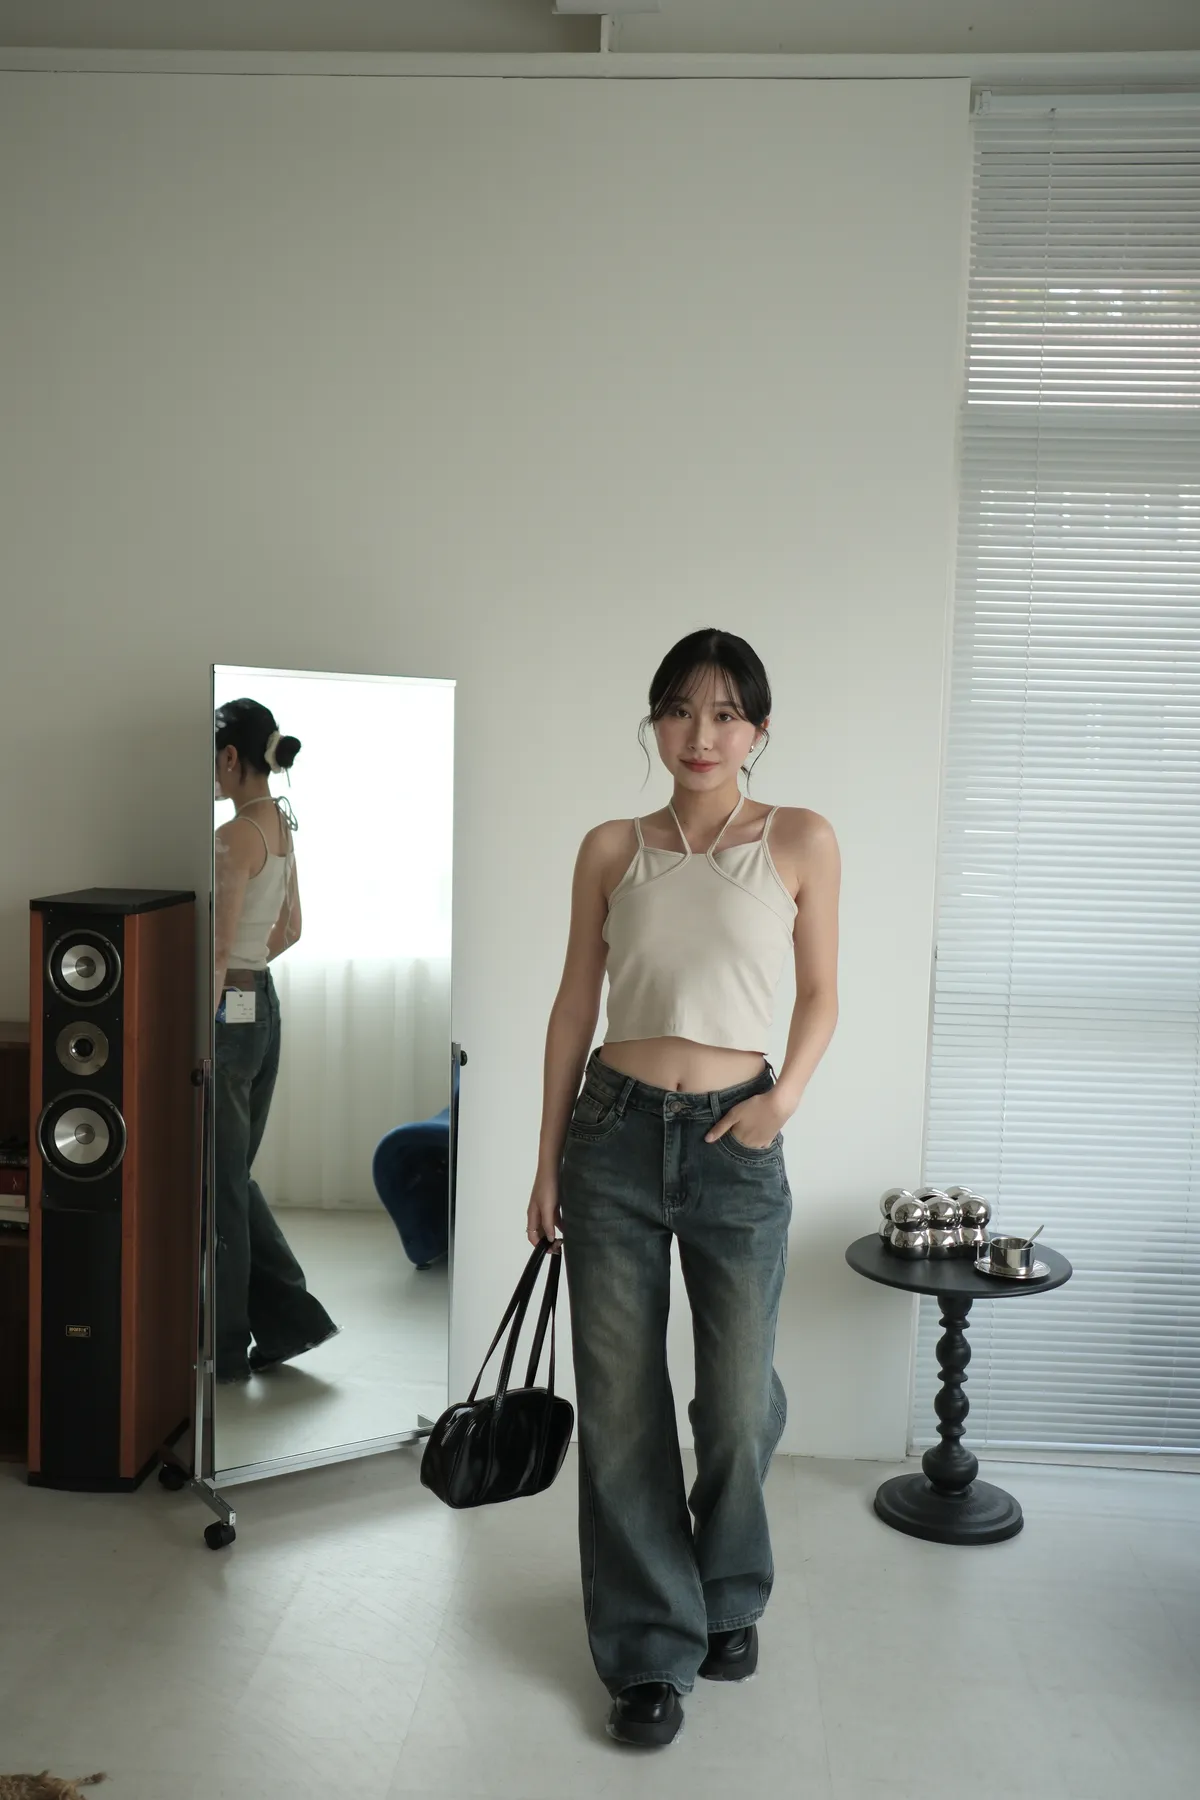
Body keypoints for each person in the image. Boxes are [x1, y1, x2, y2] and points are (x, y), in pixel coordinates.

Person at [526, 629, 840, 1748]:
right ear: (655, 721)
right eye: (678, 710)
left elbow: (821, 993)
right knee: (620, 1408)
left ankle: (730, 1587)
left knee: (738, 1404)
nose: (699, 735)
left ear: (759, 729)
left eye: (724, 714)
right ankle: (649, 1651)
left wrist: (782, 1100)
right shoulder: (612, 847)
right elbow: (575, 1002)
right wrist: (545, 1160)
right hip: (611, 1137)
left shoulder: (798, 838)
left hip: (736, 1140)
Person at [212, 698, 337, 1384]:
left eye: (215, 760)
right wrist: (248, 983)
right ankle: (292, 1321)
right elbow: (289, 930)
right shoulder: (281, 825)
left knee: (223, 1181)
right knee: (230, 1174)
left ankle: (229, 1349)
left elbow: (217, 949)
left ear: (233, 757)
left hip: (229, 1010)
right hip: (262, 1002)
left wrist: (206, 1021)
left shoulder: (235, 836)